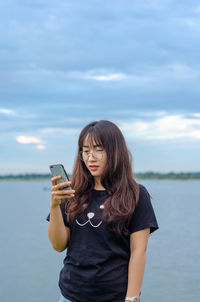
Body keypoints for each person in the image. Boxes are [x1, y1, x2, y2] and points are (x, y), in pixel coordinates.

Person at [46, 120, 159, 302]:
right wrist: (54, 206)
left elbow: (138, 251)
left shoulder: (135, 194)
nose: (91, 157)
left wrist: (132, 298)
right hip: (70, 296)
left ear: (115, 152)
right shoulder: (72, 192)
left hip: (114, 296)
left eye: (99, 150)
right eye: (86, 150)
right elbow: (58, 245)